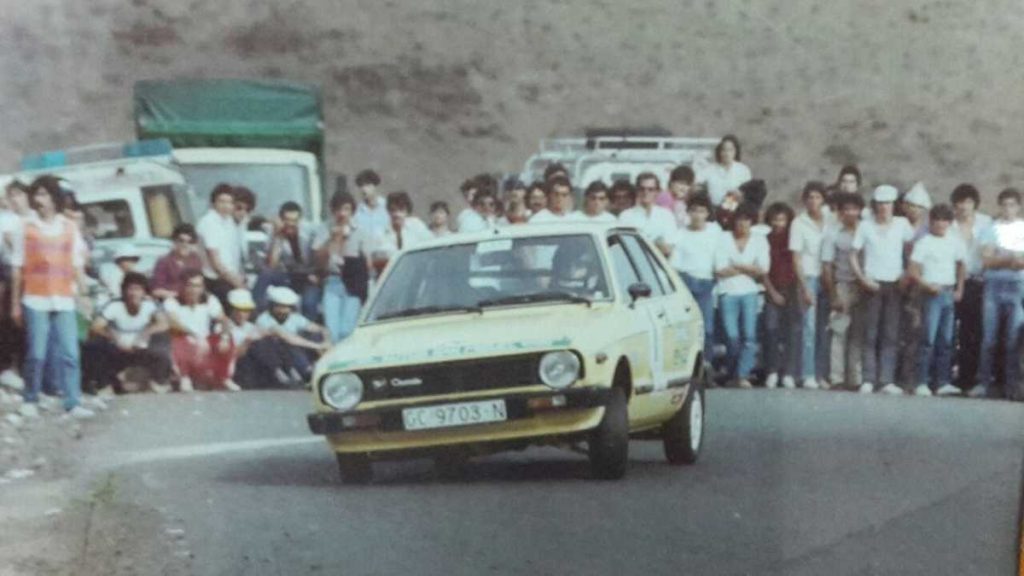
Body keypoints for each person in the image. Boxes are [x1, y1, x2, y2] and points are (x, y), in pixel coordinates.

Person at [9, 175, 93, 418]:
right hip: (35, 298)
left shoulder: (69, 227)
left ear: (55, 198)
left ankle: (72, 401)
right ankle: (30, 398)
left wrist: (83, 295)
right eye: (36, 194)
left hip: (64, 298)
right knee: (36, 353)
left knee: (70, 353)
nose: (39, 200)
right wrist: (15, 304)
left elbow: (76, 264)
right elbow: (17, 268)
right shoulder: (25, 227)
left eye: (44, 194)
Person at [849, 185, 914, 395]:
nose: (884, 207)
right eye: (880, 203)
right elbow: (853, 255)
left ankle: (886, 380)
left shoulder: (902, 224)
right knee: (870, 332)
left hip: (895, 284)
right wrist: (862, 279)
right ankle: (868, 378)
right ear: (875, 205)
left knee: (890, 333)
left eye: (888, 203)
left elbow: (912, 251)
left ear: (894, 205)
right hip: (872, 284)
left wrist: (906, 274)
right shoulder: (865, 226)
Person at [908, 204, 966, 397]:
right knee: (928, 339)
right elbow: (913, 270)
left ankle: (943, 382)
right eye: (937, 220)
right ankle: (921, 381)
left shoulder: (954, 242)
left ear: (949, 223)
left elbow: (961, 265)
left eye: (944, 220)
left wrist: (959, 288)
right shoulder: (924, 242)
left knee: (947, 340)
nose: (940, 224)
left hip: (948, 292)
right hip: (931, 293)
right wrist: (926, 285)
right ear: (931, 222)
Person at [973, 188, 1024, 400]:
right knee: (989, 338)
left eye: (1012, 205)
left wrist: (1000, 256)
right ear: (999, 206)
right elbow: (986, 260)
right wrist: (1011, 258)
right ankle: (983, 383)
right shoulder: (990, 229)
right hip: (993, 285)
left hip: (1018, 286)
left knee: (1013, 339)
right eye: (1004, 205)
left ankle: (1012, 386)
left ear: (1018, 207)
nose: (1008, 209)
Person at [83, 272, 171, 394]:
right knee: (95, 344)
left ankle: (158, 381)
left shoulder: (150, 305)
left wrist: (146, 333)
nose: (133, 293)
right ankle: (103, 384)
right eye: (130, 289)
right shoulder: (114, 305)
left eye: (138, 289)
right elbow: (96, 326)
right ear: (124, 291)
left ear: (144, 292)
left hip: (141, 347)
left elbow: (164, 323)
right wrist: (112, 336)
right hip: (118, 347)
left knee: (162, 339)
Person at [715, 203, 769, 389]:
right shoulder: (723, 238)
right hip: (727, 292)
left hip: (749, 292)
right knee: (731, 336)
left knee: (749, 335)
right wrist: (748, 269)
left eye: (747, 220)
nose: (743, 224)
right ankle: (731, 373)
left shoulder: (759, 240)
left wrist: (737, 266)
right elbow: (719, 269)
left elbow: (763, 268)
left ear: (752, 222)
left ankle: (742, 374)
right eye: (739, 220)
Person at [670, 194, 721, 376]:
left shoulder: (715, 231)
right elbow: (675, 263)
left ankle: (706, 365)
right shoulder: (680, 234)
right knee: (686, 328)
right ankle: (687, 368)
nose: (697, 215)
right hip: (687, 281)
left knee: (707, 327)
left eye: (701, 211)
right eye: (694, 211)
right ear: (688, 212)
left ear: (707, 213)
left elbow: (719, 258)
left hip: (707, 282)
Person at [163, 269, 237, 392]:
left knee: (227, 339)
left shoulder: (209, 300)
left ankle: (223, 378)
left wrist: (224, 338)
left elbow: (224, 320)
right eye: (190, 285)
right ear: (182, 286)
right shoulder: (172, 302)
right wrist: (194, 335)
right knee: (180, 340)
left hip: (204, 343)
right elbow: (173, 323)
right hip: (184, 340)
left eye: (197, 286)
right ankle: (184, 378)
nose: (193, 290)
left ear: (202, 288)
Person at [314, 191, 372, 342]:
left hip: (353, 283)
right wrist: (332, 239)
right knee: (331, 330)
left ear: (352, 211)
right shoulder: (324, 228)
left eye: (346, 209)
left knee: (347, 329)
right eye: (338, 209)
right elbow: (318, 261)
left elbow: (368, 263)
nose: (342, 213)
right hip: (332, 281)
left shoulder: (360, 230)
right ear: (333, 211)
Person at [950, 184, 992, 391]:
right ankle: (944, 377)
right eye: (960, 202)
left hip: (977, 282)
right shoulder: (949, 224)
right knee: (948, 330)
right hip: (951, 281)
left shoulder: (986, 223)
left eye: (968, 202)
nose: (964, 206)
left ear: (974, 204)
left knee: (972, 331)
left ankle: (967, 378)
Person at [822, 192, 866, 390]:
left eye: (854, 209)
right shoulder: (832, 234)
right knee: (839, 331)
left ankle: (856, 378)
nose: (850, 213)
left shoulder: (866, 230)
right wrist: (833, 294)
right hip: (842, 285)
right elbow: (827, 265)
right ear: (839, 212)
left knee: (859, 333)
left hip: (864, 286)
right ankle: (837, 377)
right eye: (846, 209)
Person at [789, 181, 830, 389]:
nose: (814, 201)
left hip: (827, 277)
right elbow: (796, 258)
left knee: (824, 327)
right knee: (808, 327)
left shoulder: (831, 219)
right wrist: (804, 286)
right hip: (809, 276)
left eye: (818, 197)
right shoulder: (799, 223)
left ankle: (821, 373)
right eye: (810, 197)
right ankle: (807, 373)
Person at [896, 182, 933, 391]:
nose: (914, 210)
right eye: (911, 205)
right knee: (897, 329)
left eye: (919, 207)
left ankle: (911, 377)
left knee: (916, 332)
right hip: (897, 282)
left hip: (918, 285)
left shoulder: (927, 232)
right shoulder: (898, 225)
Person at [255, 201, 319, 319]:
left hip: (310, 277)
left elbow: (318, 258)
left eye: (294, 220)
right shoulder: (274, 231)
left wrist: (317, 275)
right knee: (265, 275)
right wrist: (278, 236)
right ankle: (259, 315)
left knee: (308, 303)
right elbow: (271, 265)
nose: (290, 224)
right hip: (290, 275)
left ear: (300, 220)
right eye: (287, 220)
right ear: (280, 219)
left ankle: (308, 328)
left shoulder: (310, 231)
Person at [761, 202, 801, 389]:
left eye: (782, 220)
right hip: (772, 289)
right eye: (775, 219)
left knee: (792, 332)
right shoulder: (765, 240)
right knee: (771, 331)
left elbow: (797, 265)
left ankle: (788, 373)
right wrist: (772, 293)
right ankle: (772, 371)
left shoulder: (792, 240)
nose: (778, 223)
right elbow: (763, 271)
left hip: (792, 289)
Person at [255, 286, 330, 383]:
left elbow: (321, 329)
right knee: (289, 344)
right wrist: (318, 346)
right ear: (272, 306)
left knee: (315, 335)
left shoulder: (294, 317)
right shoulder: (264, 319)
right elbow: (288, 338)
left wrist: (326, 341)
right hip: (279, 353)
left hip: (298, 349)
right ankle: (308, 371)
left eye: (286, 307)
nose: (283, 310)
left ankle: (324, 366)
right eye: (280, 306)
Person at [0, 180, 31, 391]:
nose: (14, 200)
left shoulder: (34, 218)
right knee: (11, 322)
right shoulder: (6, 219)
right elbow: (10, 246)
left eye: (18, 194)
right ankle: (10, 369)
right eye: (11, 195)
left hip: (36, 276)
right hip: (11, 273)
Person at [197, 183, 245, 306]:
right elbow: (216, 263)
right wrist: (237, 283)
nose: (226, 206)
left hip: (229, 278)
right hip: (213, 280)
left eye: (230, 202)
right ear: (213, 203)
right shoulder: (209, 222)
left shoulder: (228, 222)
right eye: (221, 202)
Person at [370, 191, 432, 277]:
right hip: (391, 276)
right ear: (388, 211)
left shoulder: (417, 226)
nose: (397, 214)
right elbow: (375, 260)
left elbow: (430, 248)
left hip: (416, 274)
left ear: (407, 211)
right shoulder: (380, 233)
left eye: (401, 210)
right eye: (393, 210)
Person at [617, 173, 677, 257]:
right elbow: (624, 247)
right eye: (642, 189)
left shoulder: (666, 216)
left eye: (650, 189)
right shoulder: (625, 216)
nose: (646, 192)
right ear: (637, 190)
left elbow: (669, 248)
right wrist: (656, 244)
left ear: (657, 191)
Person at [151, 224, 203, 300]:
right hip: (172, 300)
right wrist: (177, 296)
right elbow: (156, 291)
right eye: (181, 241)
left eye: (189, 242)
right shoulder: (164, 262)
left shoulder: (195, 260)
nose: (185, 245)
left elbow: (200, 285)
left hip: (193, 300)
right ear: (174, 241)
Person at [698, 135, 752, 206]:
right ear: (719, 152)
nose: (727, 153)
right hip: (712, 208)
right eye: (724, 150)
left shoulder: (743, 170)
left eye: (730, 150)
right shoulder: (709, 169)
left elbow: (748, 193)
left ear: (736, 151)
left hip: (735, 207)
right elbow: (695, 182)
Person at [353, 169, 388, 239]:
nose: (364, 189)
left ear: (375, 186)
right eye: (361, 185)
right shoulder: (356, 212)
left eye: (368, 185)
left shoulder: (388, 207)